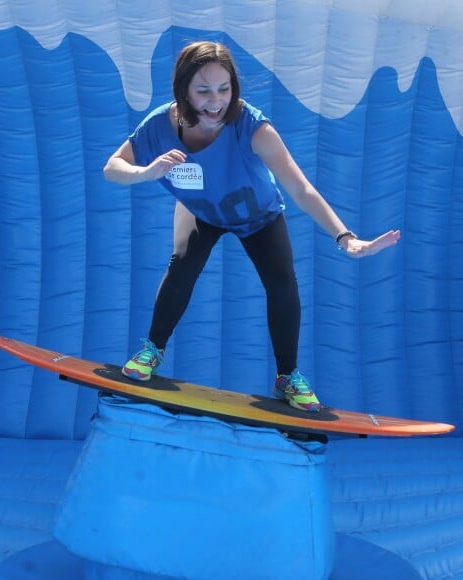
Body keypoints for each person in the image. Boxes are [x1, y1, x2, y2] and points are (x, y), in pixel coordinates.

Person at [103, 41, 400, 412]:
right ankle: (151, 350)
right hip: (201, 211)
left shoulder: (252, 127)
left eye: (224, 89)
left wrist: (346, 238)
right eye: (204, 91)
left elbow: (301, 189)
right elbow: (112, 168)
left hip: (258, 216)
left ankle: (288, 376)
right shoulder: (160, 126)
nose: (216, 101)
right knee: (183, 262)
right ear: (183, 91)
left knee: (282, 281)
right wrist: (145, 173)